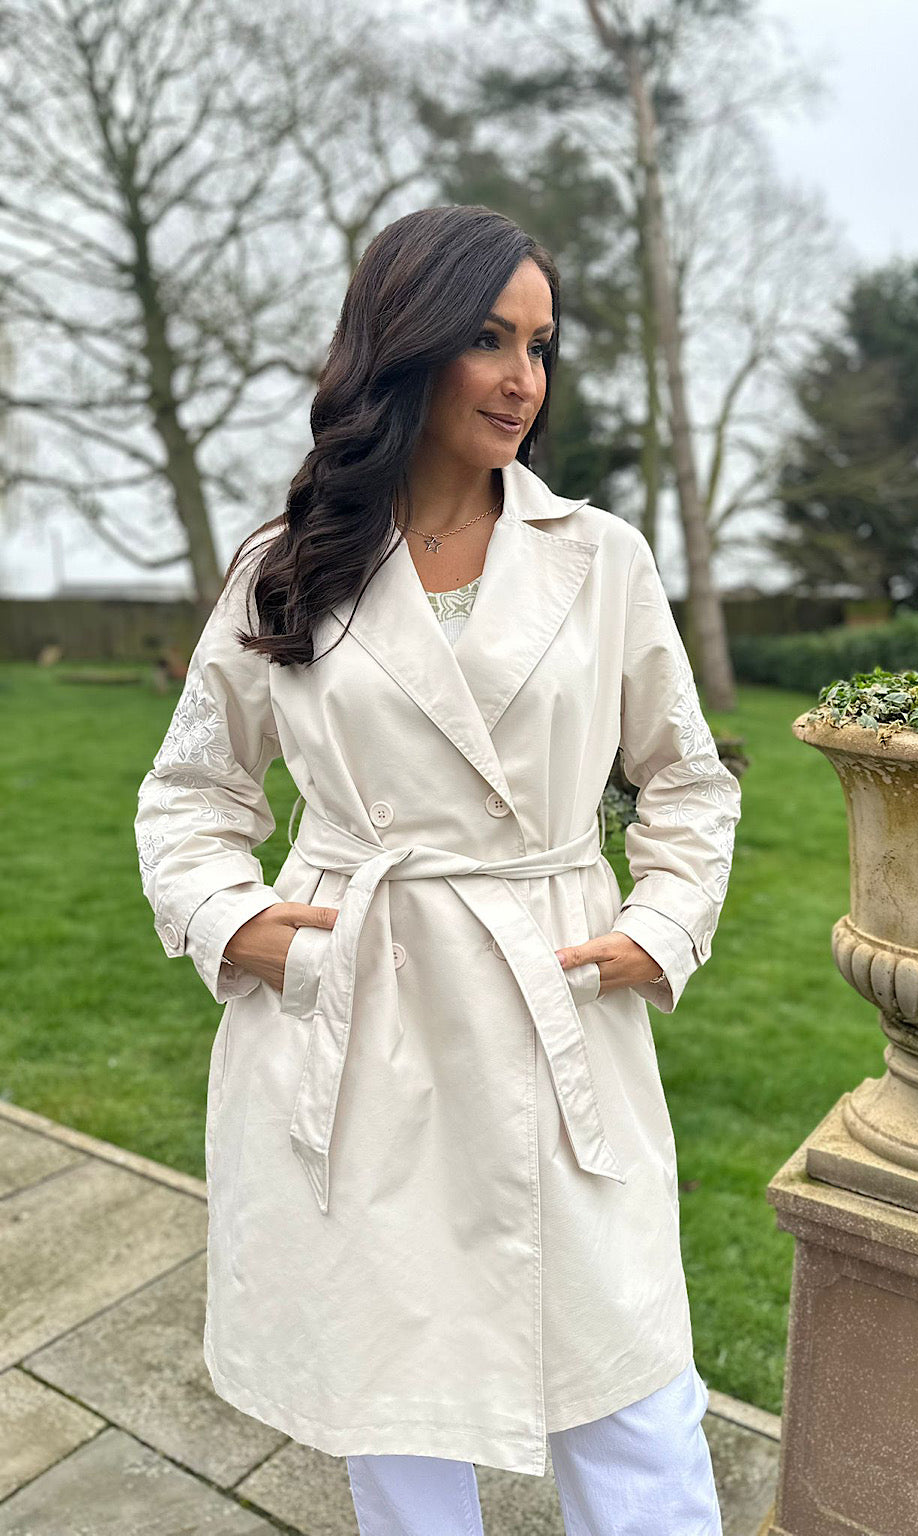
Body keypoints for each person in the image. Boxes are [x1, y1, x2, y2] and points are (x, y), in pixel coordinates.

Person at [135, 204, 740, 1534]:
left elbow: (686, 779)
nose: (525, 378)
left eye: (542, 344)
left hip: (552, 996)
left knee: (631, 1392)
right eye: (490, 339)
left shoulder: (601, 559)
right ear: (404, 346)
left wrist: (662, 924)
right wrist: (241, 926)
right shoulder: (289, 567)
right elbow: (191, 793)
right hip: (360, 1014)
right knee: (393, 1398)